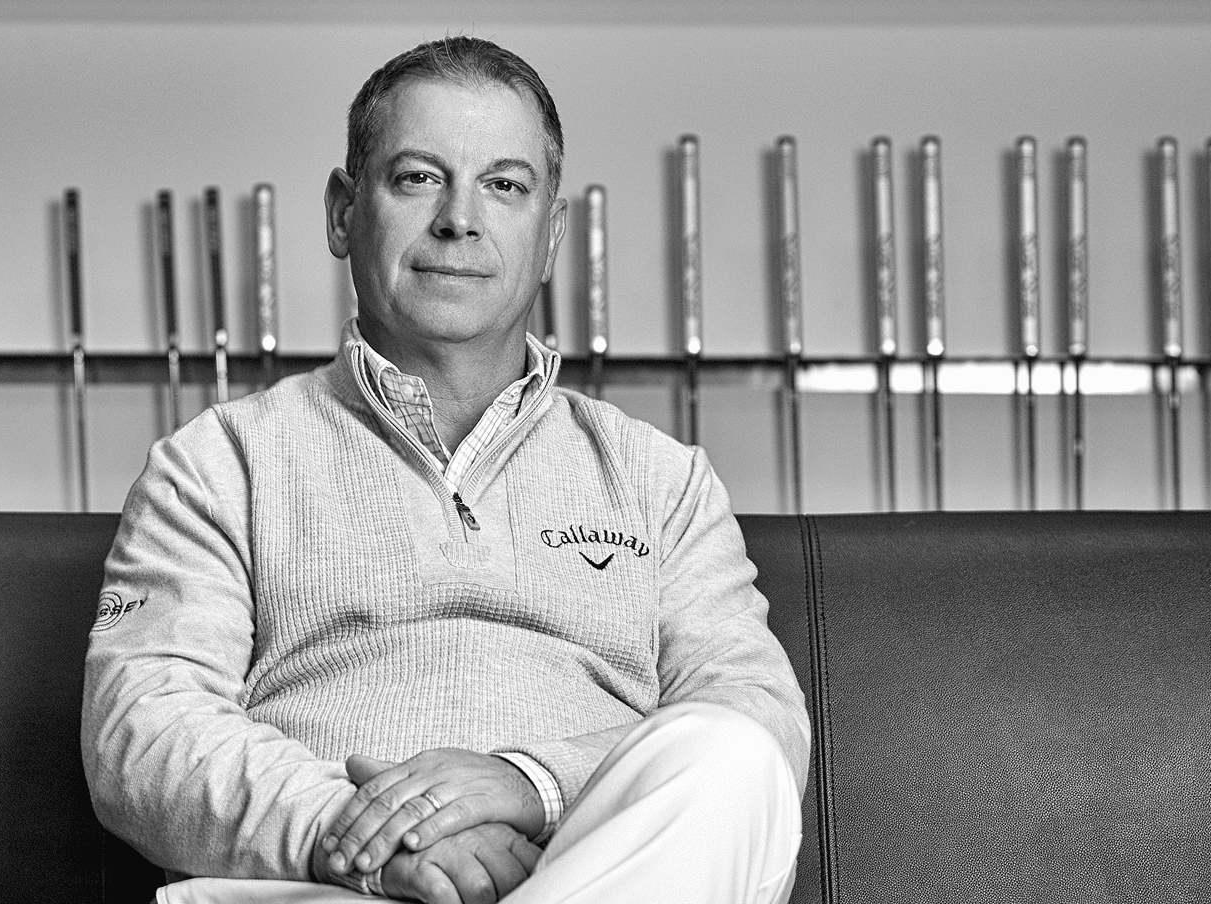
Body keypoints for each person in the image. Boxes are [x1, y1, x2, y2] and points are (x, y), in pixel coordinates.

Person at [83, 36, 809, 904]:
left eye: (505, 186)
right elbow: (144, 733)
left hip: (594, 873)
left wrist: (531, 784)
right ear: (343, 212)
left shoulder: (662, 481)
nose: (459, 218)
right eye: (418, 177)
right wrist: (370, 836)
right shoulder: (217, 463)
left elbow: (759, 718)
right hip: (327, 888)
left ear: (551, 234)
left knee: (733, 754)